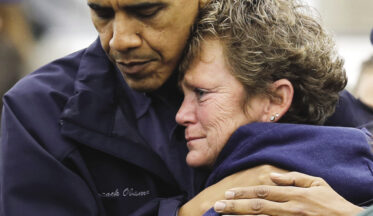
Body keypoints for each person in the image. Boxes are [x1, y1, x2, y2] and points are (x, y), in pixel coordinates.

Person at [1, 0, 372, 215]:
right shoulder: (38, 115)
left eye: (147, 11)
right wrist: (193, 210)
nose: (118, 39)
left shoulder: (298, 84)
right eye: (101, 12)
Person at [175, 0, 373, 215]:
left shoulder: (249, 204)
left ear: (275, 100)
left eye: (202, 93)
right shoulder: (354, 165)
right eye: (182, 95)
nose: (181, 115)